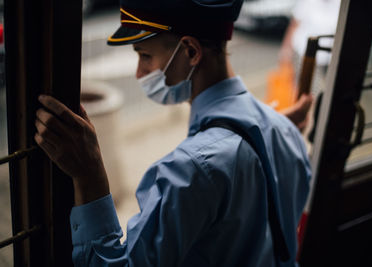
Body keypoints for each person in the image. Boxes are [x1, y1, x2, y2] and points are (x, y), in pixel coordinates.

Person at [34, 0, 311, 266]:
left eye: (145, 55)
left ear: (190, 51)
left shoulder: (190, 170)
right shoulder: (285, 131)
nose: (139, 73)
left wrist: (89, 175)